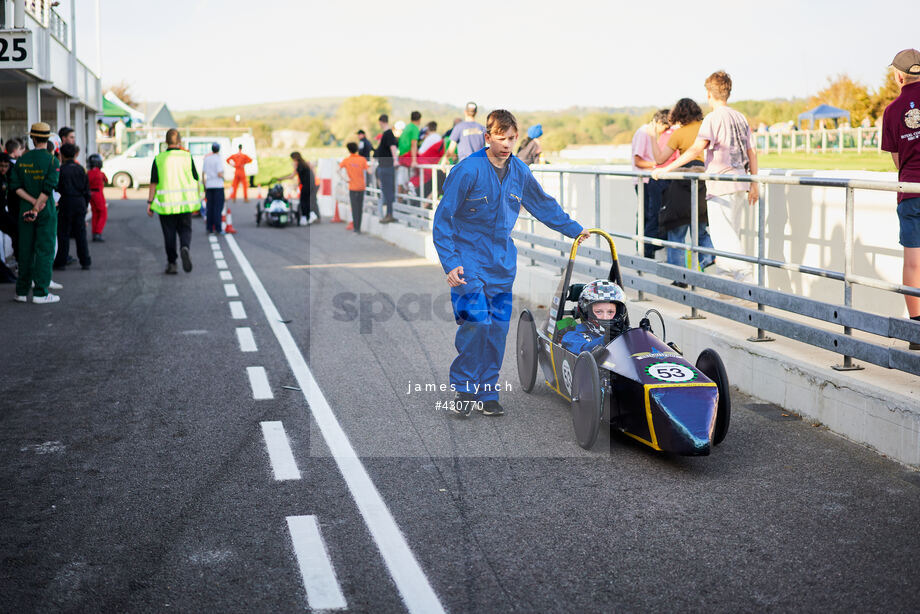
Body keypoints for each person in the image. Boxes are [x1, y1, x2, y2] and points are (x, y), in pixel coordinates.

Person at [433, 109, 591, 417]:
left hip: (502, 263)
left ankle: (487, 391)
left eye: (512, 138)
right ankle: (465, 389)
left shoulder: (519, 171)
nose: (507, 144)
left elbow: (543, 204)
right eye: (501, 138)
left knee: (497, 330)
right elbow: (443, 220)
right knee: (477, 321)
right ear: (487, 137)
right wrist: (450, 262)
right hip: (468, 260)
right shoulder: (467, 171)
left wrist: (573, 228)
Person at [655, 73, 759, 282]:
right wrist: (754, 182)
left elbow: (695, 149)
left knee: (725, 238)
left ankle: (748, 279)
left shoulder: (713, 118)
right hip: (740, 183)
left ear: (709, 94)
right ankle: (727, 284)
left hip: (721, 185)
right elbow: (752, 151)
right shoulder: (740, 117)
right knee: (730, 234)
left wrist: (667, 169)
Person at [650, 98, 715, 280]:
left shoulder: (678, 134)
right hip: (704, 181)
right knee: (701, 229)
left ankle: (679, 277)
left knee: (677, 230)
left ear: (678, 114)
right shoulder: (706, 127)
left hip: (682, 183)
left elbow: (660, 160)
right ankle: (709, 265)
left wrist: (653, 137)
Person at [882, 48, 920, 349]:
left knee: (913, 263)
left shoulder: (892, 110)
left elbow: (897, 160)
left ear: (898, 75)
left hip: (910, 191)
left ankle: (917, 332)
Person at [10, 122, 60, 303]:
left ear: (32, 138)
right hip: (45, 211)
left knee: (25, 250)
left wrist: (31, 204)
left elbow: (15, 187)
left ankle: (21, 292)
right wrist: (38, 206)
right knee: (44, 250)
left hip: (25, 209)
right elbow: (48, 189)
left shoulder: (22, 160)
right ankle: (41, 292)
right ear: (47, 139)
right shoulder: (53, 160)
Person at [146, 128, 200, 274]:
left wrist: (150, 203)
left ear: (165, 142)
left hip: (166, 205)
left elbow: (153, 183)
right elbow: (195, 178)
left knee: (169, 234)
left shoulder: (159, 159)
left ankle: (172, 263)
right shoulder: (187, 157)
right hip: (185, 202)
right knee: (185, 230)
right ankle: (185, 247)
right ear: (180, 141)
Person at [631, 110, 672, 258]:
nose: (665, 132)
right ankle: (645, 252)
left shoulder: (648, 133)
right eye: (665, 128)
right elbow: (638, 161)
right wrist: (658, 165)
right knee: (647, 216)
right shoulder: (644, 133)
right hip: (645, 181)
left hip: (648, 181)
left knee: (648, 216)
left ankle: (646, 251)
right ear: (659, 123)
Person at [561, 280, 630, 354]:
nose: (605, 317)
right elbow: (584, 351)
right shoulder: (572, 336)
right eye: (599, 312)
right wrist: (605, 340)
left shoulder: (624, 333)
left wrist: (642, 333)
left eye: (610, 312)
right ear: (587, 312)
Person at [53, 143, 91, 270]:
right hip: (79, 201)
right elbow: (87, 189)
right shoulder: (80, 169)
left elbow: (57, 187)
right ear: (75, 154)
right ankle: (85, 261)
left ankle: (61, 261)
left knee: (63, 233)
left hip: (66, 202)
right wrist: (85, 204)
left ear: (61, 155)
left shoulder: (61, 169)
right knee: (80, 233)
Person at [374, 114, 399, 223]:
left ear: (381, 122)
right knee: (386, 191)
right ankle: (388, 213)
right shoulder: (387, 134)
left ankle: (389, 214)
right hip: (384, 166)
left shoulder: (388, 133)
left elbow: (393, 147)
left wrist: (395, 160)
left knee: (388, 192)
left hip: (386, 167)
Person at [339, 142, 369, 233]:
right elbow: (369, 170)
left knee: (354, 207)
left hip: (352, 187)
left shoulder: (346, 160)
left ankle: (356, 228)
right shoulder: (362, 159)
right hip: (361, 187)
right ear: (357, 149)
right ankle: (358, 228)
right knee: (360, 208)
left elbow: (337, 170)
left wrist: (345, 179)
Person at [202, 142, 226, 234]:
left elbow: (203, 173)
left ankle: (209, 227)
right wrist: (224, 177)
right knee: (218, 208)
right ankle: (218, 228)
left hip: (209, 185)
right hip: (218, 186)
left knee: (210, 208)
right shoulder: (218, 159)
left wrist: (204, 186)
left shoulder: (207, 158)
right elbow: (220, 173)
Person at [86, 154, 108, 242]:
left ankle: (94, 233)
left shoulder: (88, 173)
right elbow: (106, 180)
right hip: (98, 194)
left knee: (95, 213)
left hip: (90, 194)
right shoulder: (100, 173)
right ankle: (98, 233)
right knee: (103, 213)